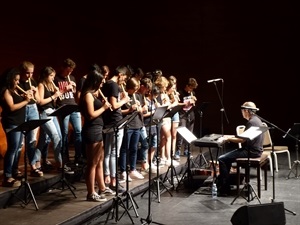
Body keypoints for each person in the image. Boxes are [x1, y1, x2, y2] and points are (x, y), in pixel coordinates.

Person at [79, 69, 114, 202]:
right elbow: (90, 115)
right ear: (95, 81)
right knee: (92, 163)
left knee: (99, 161)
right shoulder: (87, 95)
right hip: (92, 130)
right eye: (100, 81)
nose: (102, 83)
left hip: (98, 129)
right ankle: (90, 193)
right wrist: (104, 107)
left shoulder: (93, 94)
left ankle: (102, 188)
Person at [217, 101, 264, 196]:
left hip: (251, 152)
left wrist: (227, 138)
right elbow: (242, 136)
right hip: (257, 150)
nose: (242, 112)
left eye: (242, 110)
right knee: (227, 158)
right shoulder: (256, 120)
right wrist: (228, 136)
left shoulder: (251, 122)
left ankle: (224, 188)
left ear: (246, 110)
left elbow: (241, 140)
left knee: (222, 159)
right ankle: (226, 184)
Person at [0, 67, 34, 187]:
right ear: (10, 79)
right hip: (11, 122)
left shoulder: (14, 90)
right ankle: (7, 176)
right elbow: (12, 107)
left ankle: (14, 171)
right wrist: (26, 101)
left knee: (17, 148)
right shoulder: (6, 91)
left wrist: (27, 95)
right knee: (12, 149)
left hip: (19, 122)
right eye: (16, 80)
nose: (18, 82)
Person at [36, 66, 72, 174]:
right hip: (45, 113)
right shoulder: (41, 85)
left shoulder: (50, 85)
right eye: (51, 76)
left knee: (43, 140)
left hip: (52, 112)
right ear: (45, 76)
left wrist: (58, 95)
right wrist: (54, 96)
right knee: (56, 137)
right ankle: (59, 164)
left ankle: (36, 162)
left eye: (53, 76)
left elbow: (52, 101)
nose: (53, 78)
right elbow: (41, 102)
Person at [101, 65, 131, 192]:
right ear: (120, 74)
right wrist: (124, 100)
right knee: (114, 153)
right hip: (116, 122)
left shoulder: (108, 84)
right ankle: (114, 180)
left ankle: (107, 177)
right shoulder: (113, 85)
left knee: (108, 152)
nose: (124, 82)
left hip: (110, 121)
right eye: (124, 78)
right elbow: (114, 105)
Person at [54, 58, 83, 164]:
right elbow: (55, 95)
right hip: (63, 107)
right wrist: (65, 89)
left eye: (71, 71)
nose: (69, 73)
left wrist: (73, 88)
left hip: (73, 106)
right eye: (68, 70)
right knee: (64, 132)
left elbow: (73, 93)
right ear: (63, 68)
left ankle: (78, 156)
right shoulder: (56, 79)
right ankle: (64, 156)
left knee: (78, 131)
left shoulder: (72, 78)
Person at [18, 61, 43, 177]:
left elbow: (38, 100)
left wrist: (35, 91)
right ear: (22, 71)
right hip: (22, 109)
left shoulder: (32, 81)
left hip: (33, 109)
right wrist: (23, 96)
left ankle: (33, 166)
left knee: (32, 140)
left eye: (32, 73)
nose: (30, 76)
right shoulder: (17, 82)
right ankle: (15, 168)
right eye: (27, 73)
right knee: (20, 142)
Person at [119, 77, 145, 181]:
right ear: (129, 88)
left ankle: (133, 169)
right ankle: (123, 171)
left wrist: (142, 109)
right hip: (128, 125)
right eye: (134, 88)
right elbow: (120, 111)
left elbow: (142, 109)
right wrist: (131, 109)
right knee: (125, 149)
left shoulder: (138, 95)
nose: (136, 90)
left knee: (134, 148)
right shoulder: (123, 96)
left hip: (137, 124)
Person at [175, 77, 198, 158]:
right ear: (187, 85)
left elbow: (193, 106)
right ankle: (177, 151)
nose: (191, 90)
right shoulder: (180, 93)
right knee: (181, 133)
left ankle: (186, 150)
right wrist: (187, 103)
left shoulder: (192, 93)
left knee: (189, 133)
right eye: (190, 87)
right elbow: (177, 104)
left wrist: (194, 102)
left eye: (192, 88)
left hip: (190, 114)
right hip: (182, 115)